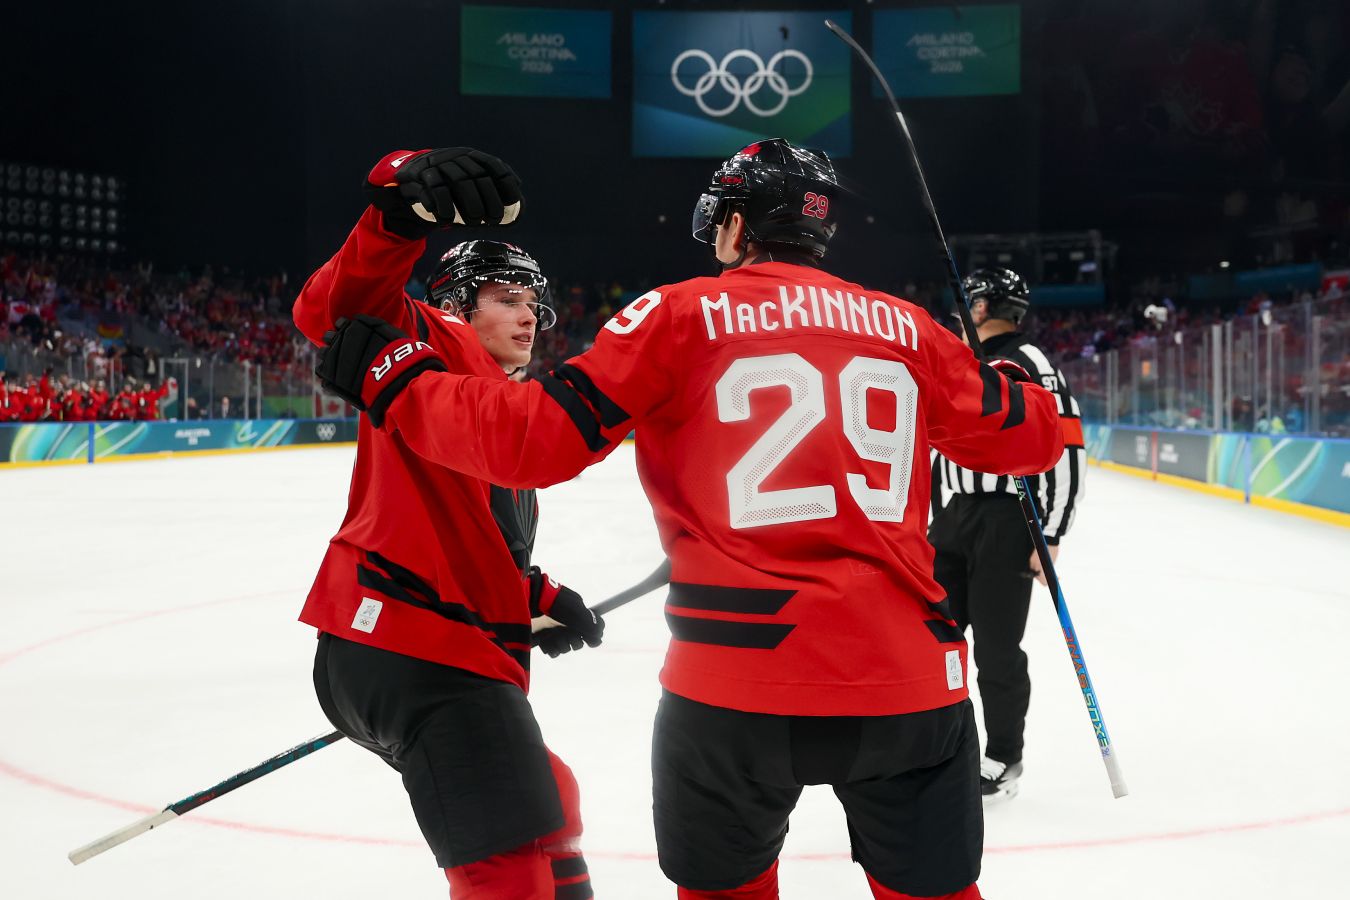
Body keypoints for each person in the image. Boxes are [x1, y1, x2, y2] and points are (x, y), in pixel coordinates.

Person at [316, 138, 1065, 900]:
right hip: (908, 681)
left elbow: (530, 443)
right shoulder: (910, 329)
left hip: (733, 681)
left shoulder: (677, 314)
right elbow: (1037, 437)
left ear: (736, 227)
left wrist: (396, 382)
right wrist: (999, 367)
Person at [294, 147, 604, 899]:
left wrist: (540, 597)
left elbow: (472, 539)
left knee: (552, 796)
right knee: (505, 864)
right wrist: (396, 212)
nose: (528, 314)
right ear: (458, 306)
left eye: (533, 301)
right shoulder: (433, 344)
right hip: (411, 641)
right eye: (506, 297)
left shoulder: (500, 407)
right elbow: (334, 310)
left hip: (424, 643)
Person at [929, 267, 1087, 802]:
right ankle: (936, 747)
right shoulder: (959, 360)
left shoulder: (1033, 363)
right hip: (952, 520)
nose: (959, 313)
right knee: (933, 640)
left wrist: (1052, 533)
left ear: (981, 307)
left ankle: (1002, 756)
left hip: (1006, 520)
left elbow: (1067, 450)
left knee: (996, 651)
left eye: (967, 304)